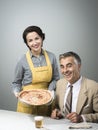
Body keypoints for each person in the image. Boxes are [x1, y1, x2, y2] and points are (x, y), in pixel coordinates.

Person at [11, 25, 60, 116]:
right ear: (27, 43)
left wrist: (50, 91)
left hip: (46, 101)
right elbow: (16, 83)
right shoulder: (22, 59)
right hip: (27, 102)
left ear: (42, 38)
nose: (34, 43)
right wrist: (17, 92)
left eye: (37, 38)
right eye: (30, 40)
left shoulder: (51, 56)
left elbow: (56, 79)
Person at [51, 51, 98, 123]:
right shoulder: (59, 84)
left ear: (79, 66)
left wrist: (82, 118)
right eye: (62, 67)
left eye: (69, 66)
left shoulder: (94, 87)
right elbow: (58, 107)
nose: (65, 70)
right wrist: (57, 112)